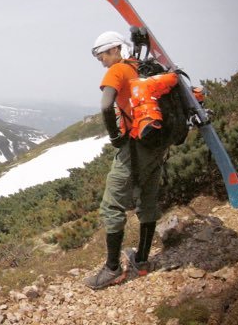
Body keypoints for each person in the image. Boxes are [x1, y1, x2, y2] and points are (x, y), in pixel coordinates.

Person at [84, 31, 167, 290]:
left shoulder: (118, 70)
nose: (102, 61)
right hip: (156, 144)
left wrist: (115, 137)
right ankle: (141, 261)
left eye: (102, 55)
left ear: (116, 49)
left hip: (135, 147)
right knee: (148, 199)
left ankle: (112, 270)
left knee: (111, 205)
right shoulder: (139, 68)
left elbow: (106, 105)